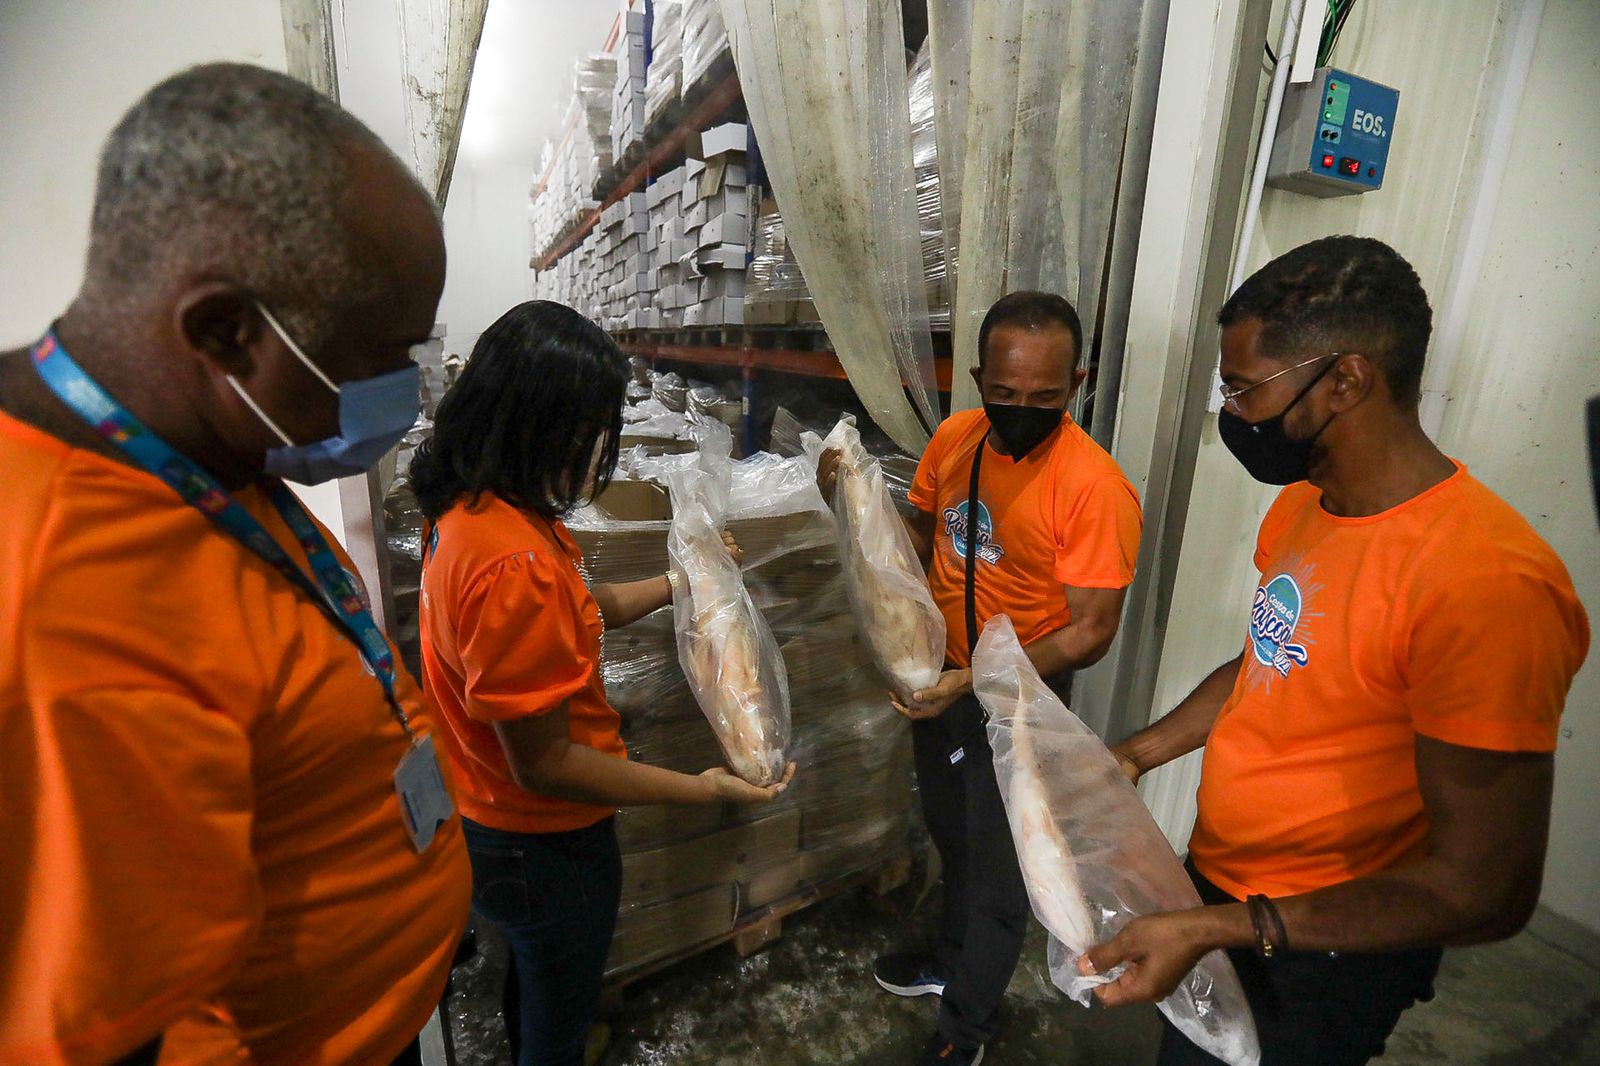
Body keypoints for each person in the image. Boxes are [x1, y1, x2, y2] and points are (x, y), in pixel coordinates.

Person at [0, 64, 471, 1064]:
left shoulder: (196, 447)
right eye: (384, 355)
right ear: (224, 331)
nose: (403, 390)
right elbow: (117, 1027)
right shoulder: (65, 608)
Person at [1086, 236, 1590, 1065]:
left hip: (1323, 950)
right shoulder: (1307, 506)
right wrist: (1136, 755)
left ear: (1346, 381)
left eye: (1245, 389)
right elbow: (1271, 662)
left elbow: (1484, 891)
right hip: (1224, 893)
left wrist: (1225, 927)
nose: (1233, 413)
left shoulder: (1487, 584)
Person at [410, 300, 795, 1066]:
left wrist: (684, 578)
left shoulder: (476, 513)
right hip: (542, 843)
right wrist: (702, 789)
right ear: (538, 424)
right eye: (589, 434)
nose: (597, 457)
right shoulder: (512, 565)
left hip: (487, 815)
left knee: (535, 975)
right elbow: (546, 764)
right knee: (559, 1005)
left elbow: (583, 609)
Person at [820, 291, 1143, 1066]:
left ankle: (966, 1029)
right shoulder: (956, 440)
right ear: (977, 380)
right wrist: (848, 497)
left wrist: (975, 680)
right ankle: (949, 962)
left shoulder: (1094, 486)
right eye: (1004, 393)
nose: (1021, 411)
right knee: (954, 836)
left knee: (1000, 872)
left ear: (1077, 384)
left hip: (1020, 699)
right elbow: (920, 539)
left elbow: (1092, 631)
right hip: (944, 682)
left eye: (1044, 397)